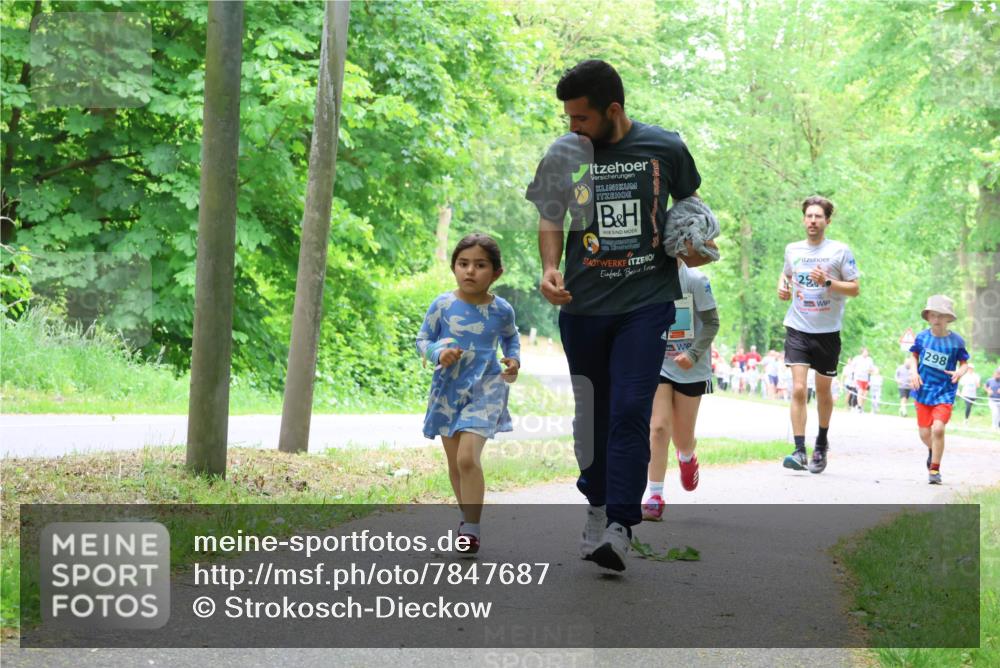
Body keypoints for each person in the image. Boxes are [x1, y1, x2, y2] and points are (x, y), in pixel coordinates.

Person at [526, 59, 716, 572]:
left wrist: (695, 245)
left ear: (613, 110)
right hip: (583, 306)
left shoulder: (665, 148)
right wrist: (549, 268)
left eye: (582, 118)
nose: (573, 127)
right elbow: (550, 215)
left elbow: (692, 210)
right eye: (568, 117)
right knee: (593, 413)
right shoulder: (564, 154)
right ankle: (596, 505)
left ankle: (620, 525)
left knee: (632, 407)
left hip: (645, 302)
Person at [415, 233, 521, 553]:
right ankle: (466, 518)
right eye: (463, 264)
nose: (470, 271)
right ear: (453, 267)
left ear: (496, 273)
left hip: (487, 387)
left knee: (467, 457)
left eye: (480, 265)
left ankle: (471, 530)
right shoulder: (443, 305)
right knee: (454, 463)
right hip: (448, 390)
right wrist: (437, 353)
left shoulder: (502, 310)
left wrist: (513, 361)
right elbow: (423, 340)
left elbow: (511, 339)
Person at [777, 195, 860, 474]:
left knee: (823, 391)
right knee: (799, 388)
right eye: (809, 216)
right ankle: (799, 450)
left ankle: (821, 444)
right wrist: (783, 288)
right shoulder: (793, 249)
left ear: (827, 221)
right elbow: (786, 274)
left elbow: (854, 288)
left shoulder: (839, 251)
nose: (812, 221)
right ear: (803, 220)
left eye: (818, 217)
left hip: (827, 331)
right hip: (798, 326)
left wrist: (826, 281)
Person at [642, 259, 719, 521]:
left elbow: (711, 323)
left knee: (682, 437)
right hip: (658, 363)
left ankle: (686, 455)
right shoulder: (646, 278)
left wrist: (694, 353)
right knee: (659, 427)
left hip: (691, 368)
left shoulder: (696, 280)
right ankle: (655, 496)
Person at [909, 295, 969, 484]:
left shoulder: (957, 342)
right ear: (928, 317)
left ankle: (934, 470)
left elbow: (965, 363)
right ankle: (933, 450)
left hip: (945, 391)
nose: (936, 320)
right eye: (933, 315)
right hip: (923, 390)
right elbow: (914, 357)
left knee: (939, 429)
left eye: (940, 316)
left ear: (948, 319)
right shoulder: (922, 337)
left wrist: (960, 372)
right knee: (925, 434)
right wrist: (913, 373)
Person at [853, 348, 874, 413]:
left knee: (865, 395)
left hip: (866, 379)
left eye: (867, 352)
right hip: (858, 378)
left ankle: (861, 406)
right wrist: (855, 374)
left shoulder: (870, 360)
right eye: (865, 352)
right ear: (862, 352)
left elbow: (872, 370)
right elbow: (852, 366)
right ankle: (859, 406)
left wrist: (869, 371)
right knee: (860, 392)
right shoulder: (857, 358)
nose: (866, 353)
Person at [986, 367, 1000, 432]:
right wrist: (988, 391)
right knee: (995, 413)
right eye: (997, 373)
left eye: (999, 373)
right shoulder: (989, 380)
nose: (998, 375)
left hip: (999, 400)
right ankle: (994, 426)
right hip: (992, 400)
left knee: (998, 414)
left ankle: (998, 426)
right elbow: (986, 386)